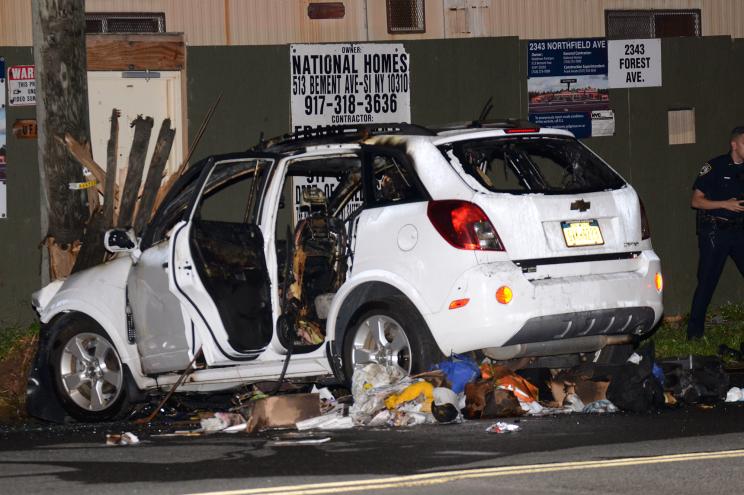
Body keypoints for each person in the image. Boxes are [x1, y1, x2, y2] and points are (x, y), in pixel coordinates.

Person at [687, 126, 744, 340]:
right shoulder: (715, 166)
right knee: (707, 281)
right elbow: (696, 201)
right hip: (715, 232)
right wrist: (724, 205)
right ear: (734, 144)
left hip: (739, 231)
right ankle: (694, 334)